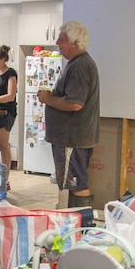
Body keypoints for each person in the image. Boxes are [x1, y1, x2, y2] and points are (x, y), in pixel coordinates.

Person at [37, 21, 100, 209]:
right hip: (73, 138)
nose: (57, 42)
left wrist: (48, 99)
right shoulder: (77, 64)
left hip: (72, 139)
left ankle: (80, 230)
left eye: (61, 39)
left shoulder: (80, 66)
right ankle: (78, 229)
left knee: (77, 184)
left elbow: (75, 103)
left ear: (75, 42)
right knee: (75, 183)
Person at [0, 45, 17, 187]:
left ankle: (5, 179)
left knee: (3, 145)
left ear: (3, 59)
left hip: (6, 112)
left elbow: (10, 96)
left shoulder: (11, 73)